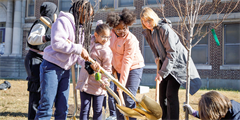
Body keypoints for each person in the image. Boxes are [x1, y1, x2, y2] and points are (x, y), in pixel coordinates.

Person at [34, 1, 100, 119]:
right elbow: (57, 44)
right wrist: (79, 49)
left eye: (91, 16)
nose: (89, 18)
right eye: (88, 15)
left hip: (65, 70)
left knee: (62, 107)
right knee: (46, 106)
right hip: (51, 67)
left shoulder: (81, 29)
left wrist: (88, 64)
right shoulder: (63, 21)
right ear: (80, 9)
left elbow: (78, 55)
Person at [140, 7, 202, 120]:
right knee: (162, 95)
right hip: (165, 63)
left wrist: (161, 73)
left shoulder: (164, 29)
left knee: (170, 95)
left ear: (153, 17)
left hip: (177, 66)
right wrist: (156, 58)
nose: (147, 23)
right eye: (144, 21)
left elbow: (172, 53)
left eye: (149, 20)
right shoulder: (150, 32)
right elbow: (155, 49)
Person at [106, 8, 145, 120]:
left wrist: (121, 85)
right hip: (117, 69)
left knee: (128, 97)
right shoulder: (111, 35)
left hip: (134, 68)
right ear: (113, 28)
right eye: (118, 29)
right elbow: (109, 51)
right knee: (117, 97)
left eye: (125, 28)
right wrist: (112, 65)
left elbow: (127, 62)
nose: (122, 31)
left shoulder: (131, 40)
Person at [24, 2, 58, 120]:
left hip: (41, 60)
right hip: (34, 59)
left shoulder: (51, 24)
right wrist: (47, 37)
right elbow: (31, 39)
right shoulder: (42, 22)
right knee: (35, 92)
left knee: (41, 93)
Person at [76, 20, 112, 120]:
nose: (106, 39)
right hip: (85, 83)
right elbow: (79, 58)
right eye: (103, 36)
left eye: (108, 37)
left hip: (98, 85)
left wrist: (105, 82)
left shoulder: (106, 51)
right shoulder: (87, 43)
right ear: (96, 35)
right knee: (84, 108)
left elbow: (107, 69)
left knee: (98, 110)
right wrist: (87, 64)